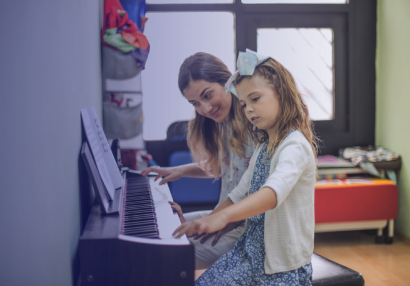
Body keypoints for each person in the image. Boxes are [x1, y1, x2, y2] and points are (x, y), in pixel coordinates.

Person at [172, 50, 319, 285]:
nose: (248, 108)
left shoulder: (295, 145)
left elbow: (272, 193)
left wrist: (222, 218)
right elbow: (238, 194)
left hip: (280, 266)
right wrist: (202, 224)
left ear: (281, 93)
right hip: (252, 252)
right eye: (243, 103)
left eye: (255, 99)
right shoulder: (264, 146)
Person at [140, 52, 255, 269]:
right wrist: (180, 170)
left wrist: (209, 222)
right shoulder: (223, 122)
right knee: (165, 227)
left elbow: (258, 189)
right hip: (227, 215)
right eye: (195, 103)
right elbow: (224, 166)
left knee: (160, 257)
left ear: (227, 82)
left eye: (208, 95)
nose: (205, 109)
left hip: (246, 227)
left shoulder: (253, 120)